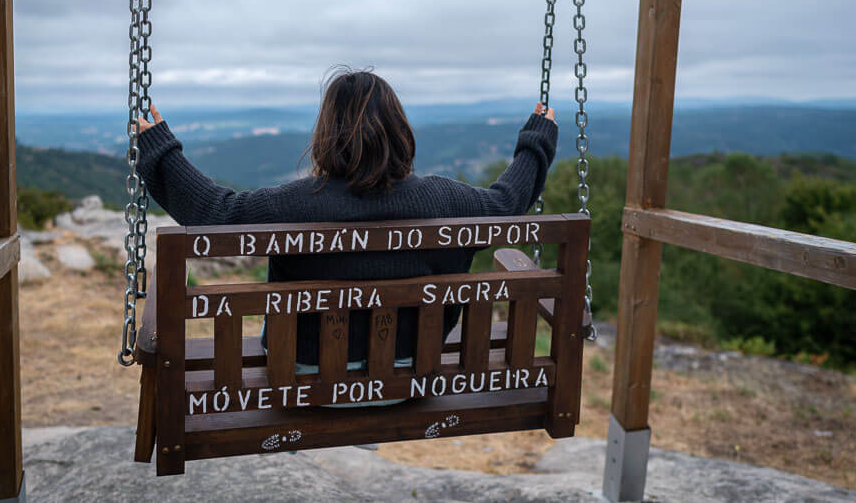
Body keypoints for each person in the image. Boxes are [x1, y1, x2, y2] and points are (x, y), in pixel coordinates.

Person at [135, 67, 557, 401]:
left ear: (326, 132)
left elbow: (214, 211)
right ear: (400, 129)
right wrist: (536, 139)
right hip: (415, 374)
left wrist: (160, 148)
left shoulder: (293, 204)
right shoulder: (446, 199)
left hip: (303, 380)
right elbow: (508, 201)